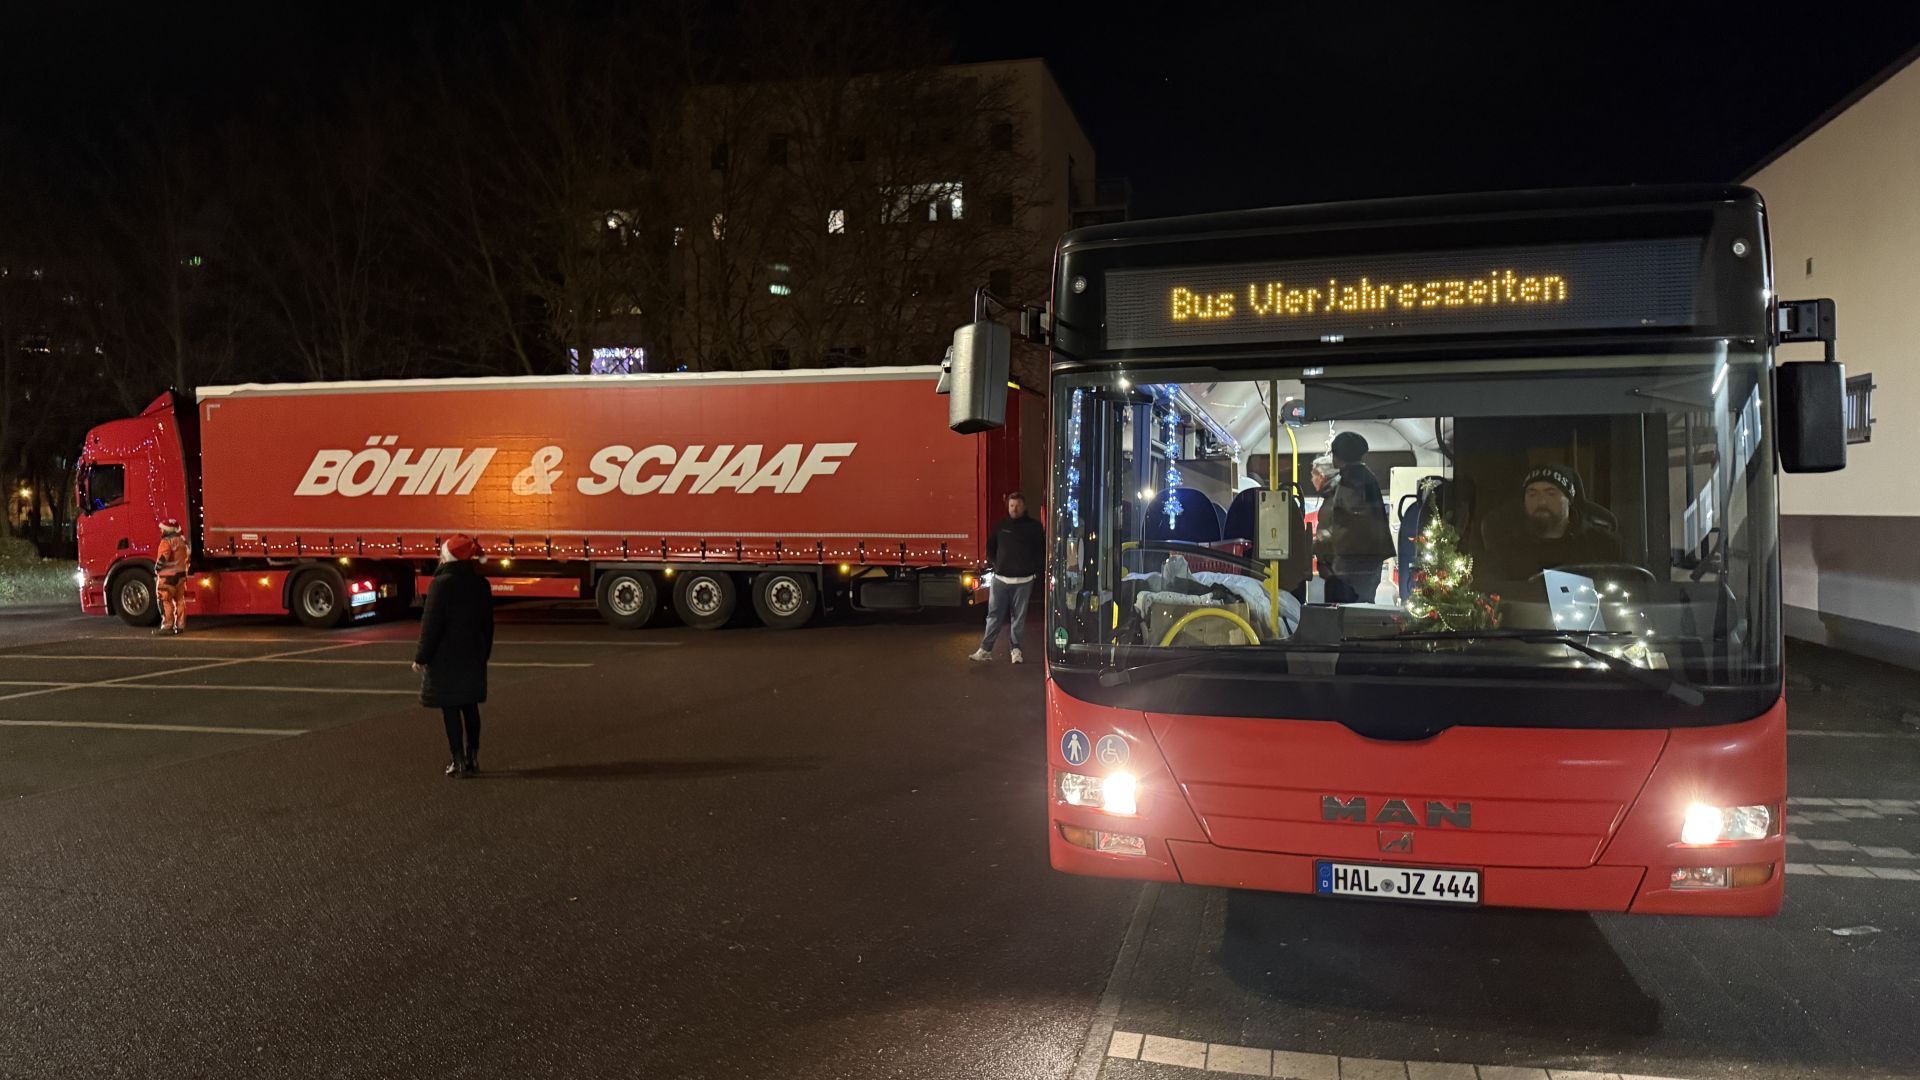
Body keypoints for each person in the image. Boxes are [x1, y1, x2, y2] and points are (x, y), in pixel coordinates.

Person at [412, 535, 495, 777]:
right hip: (472, 655)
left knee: (450, 708)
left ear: (448, 556)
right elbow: (487, 625)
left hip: (446, 658)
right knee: (471, 707)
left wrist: (421, 656)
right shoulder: (481, 584)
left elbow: (431, 624)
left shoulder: (441, 584)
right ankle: (473, 757)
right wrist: (483, 653)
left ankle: (457, 759)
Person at [1482, 464, 1624, 582]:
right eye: (1532, 494)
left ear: (1569, 500)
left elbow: (1629, 593)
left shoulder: (1602, 545)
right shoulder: (1504, 549)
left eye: (1551, 493)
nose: (1541, 501)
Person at [1311, 432, 1395, 603]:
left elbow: (1353, 520)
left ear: (1340, 456)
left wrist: (1326, 537)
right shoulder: (1362, 477)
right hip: (1364, 558)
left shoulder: (1353, 480)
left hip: (1356, 560)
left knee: (1352, 609)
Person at [970, 491, 1045, 664]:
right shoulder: (1001, 525)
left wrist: (1034, 570)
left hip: (1024, 581)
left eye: (1018, 505)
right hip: (1000, 579)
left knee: (1018, 618)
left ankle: (1016, 650)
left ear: (1024, 506)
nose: (1014, 509)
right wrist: (996, 565)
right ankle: (985, 650)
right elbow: (990, 547)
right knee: (994, 615)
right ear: (1008, 507)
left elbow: (1040, 551)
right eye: (1012, 505)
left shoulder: (1034, 527)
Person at [152, 518, 190, 635]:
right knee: (180, 601)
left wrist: (157, 569)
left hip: (168, 578)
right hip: (181, 576)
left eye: (162, 529)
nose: (161, 532)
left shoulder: (166, 542)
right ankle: (180, 626)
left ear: (167, 531)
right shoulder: (182, 541)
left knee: (165, 601)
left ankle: (167, 626)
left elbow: (163, 558)